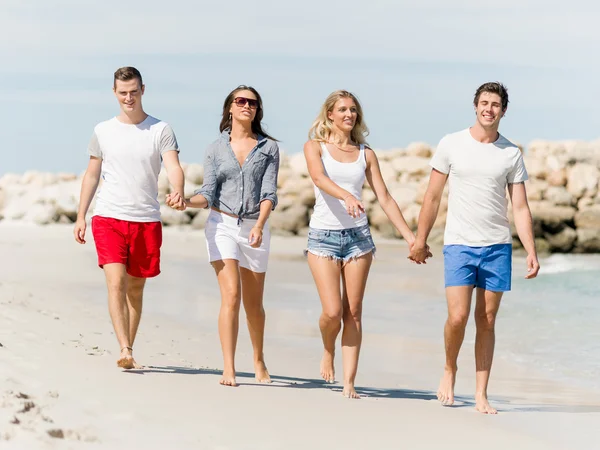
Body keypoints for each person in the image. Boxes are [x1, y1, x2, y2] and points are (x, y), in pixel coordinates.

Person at [410, 82, 540, 414]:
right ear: (475, 106)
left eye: (495, 104)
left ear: (504, 110)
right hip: (459, 243)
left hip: (497, 246)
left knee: (487, 319)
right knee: (458, 316)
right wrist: (420, 240)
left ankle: (481, 393)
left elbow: (520, 208)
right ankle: (449, 369)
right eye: (484, 103)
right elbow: (433, 196)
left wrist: (531, 251)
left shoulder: (511, 153)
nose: (489, 109)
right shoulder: (451, 144)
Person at [303, 90, 429, 399]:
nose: (349, 114)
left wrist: (412, 239)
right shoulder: (314, 147)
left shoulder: (365, 153)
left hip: (359, 239)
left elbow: (384, 197)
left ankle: (349, 382)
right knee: (332, 312)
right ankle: (327, 348)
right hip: (323, 237)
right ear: (329, 114)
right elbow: (319, 179)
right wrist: (346, 195)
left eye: (353, 110)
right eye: (342, 109)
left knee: (353, 312)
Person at [166, 85, 279, 387]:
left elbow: (269, 193)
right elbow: (208, 193)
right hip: (222, 225)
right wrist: (186, 201)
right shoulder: (215, 148)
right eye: (240, 101)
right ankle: (228, 367)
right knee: (231, 296)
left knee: (254, 305)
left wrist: (259, 224)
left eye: (252, 103)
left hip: (255, 226)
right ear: (230, 108)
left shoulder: (268, 148)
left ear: (258, 110)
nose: (247, 106)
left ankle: (258, 358)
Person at [73, 66, 185, 370]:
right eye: (123, 93)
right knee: (116, 283)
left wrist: (177, 188)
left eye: (134, 91)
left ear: (143, 90)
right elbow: (92, 173)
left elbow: (173, 165)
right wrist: (81, 215)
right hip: (108, 216)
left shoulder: (160, 129)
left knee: (136, 288)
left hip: (146, 219)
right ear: (114, 93)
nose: (129, 98)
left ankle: (129, 347)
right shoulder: (103, 130)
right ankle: (124, 348)